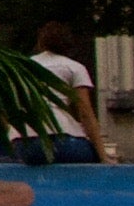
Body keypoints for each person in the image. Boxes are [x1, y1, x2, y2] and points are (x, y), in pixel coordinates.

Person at [17, 22, 110, 163]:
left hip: (28, 142)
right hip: (63, 140)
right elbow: (85, 112)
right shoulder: (74, 68)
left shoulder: (24, 66)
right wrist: (102, 156)